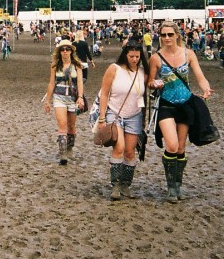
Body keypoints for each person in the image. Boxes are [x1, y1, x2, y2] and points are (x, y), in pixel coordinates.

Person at [148, 21, 213, 203]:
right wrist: (154, 83)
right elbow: (149, 80)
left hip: (185, 104)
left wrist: (206, 88)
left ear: (177, 35)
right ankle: (170, 187)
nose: (167, 38)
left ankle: (177, 184)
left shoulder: (188, 54)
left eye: (170, 34)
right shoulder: (156, 58)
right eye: (163, 35)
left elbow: (200, 77)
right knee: (172, 145)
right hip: (167, 104)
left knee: (181, 147)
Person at [96, 41, 146, 200]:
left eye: (137, 56)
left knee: (130, 152)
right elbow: (104, 93)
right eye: (131, 56)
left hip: (135, 115)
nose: (134, 59)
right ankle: (115, 185)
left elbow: (144, 96)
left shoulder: (142, 72)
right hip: (115, 112)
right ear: (125, 54)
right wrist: (102, 118)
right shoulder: (114, 69)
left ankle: (126, 184)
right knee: (119, 148)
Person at [42, 39, 85, 166]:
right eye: (62, 49)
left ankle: (69, 148)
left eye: (67, 49)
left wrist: (80, 97)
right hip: (59, 97)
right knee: (62, 125)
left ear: (71, 51)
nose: (65, 51)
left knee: (71, 127)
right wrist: (48, 101)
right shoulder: (55, 66)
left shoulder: (77, 65)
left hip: (72, 98)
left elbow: (80, 82)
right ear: (59, 52)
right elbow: (51, 83)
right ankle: (63, 154)